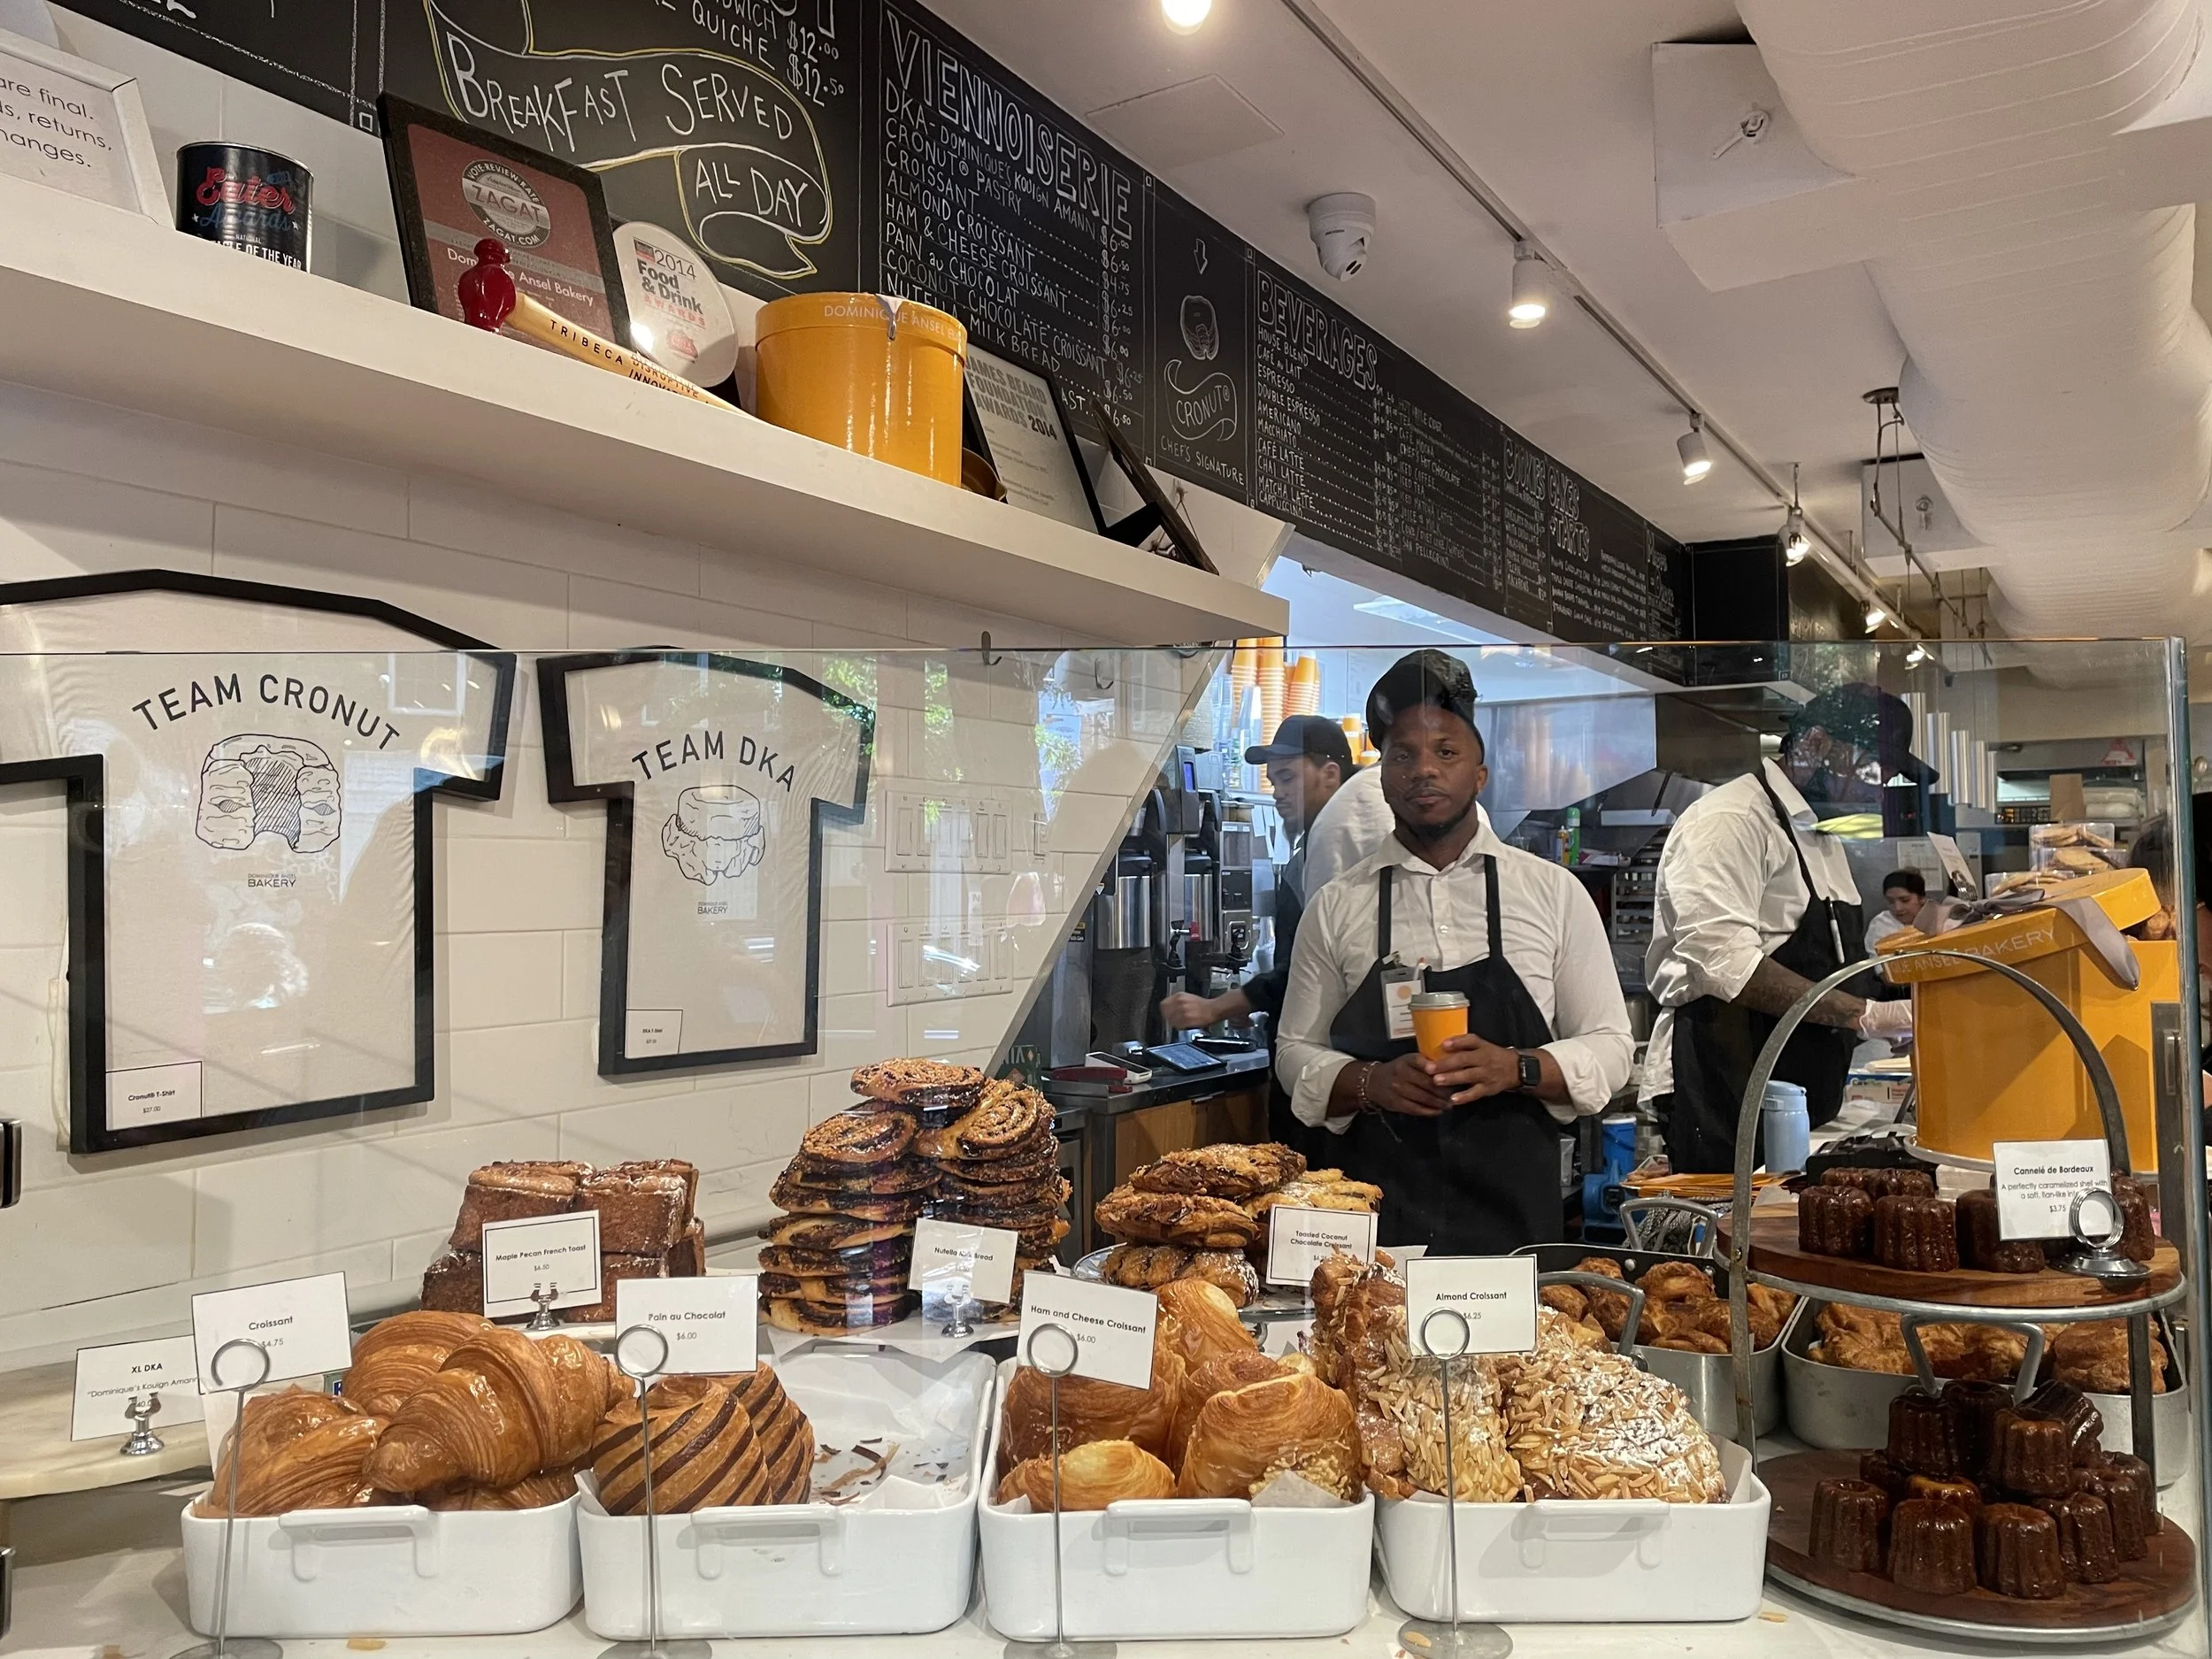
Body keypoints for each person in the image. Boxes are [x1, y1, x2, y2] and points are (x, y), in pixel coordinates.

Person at [1276, 649, 1634, 1253]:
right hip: (1378, 1237)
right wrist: (1369, 1081)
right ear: (1382, 775)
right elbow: (1294, 1051)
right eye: (1403, 755)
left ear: (1480, 774)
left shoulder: (1552, 894)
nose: (1424, 771)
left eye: (1446, 752)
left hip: (1514, 1232)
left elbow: (1611, 1046)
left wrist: (1516, 1067)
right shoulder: (1337, 906)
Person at [1640, 684, 1916, 1174]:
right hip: (1726, 1085)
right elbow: (1724, 965)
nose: (1881, 786)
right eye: (1874, 767)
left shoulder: (1822, 834)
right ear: (1813, 744)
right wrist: (1866, 1015)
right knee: (1733, 1239)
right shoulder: (1731, 820)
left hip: (1797, 1090)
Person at [1159, 715, 1357, 1146]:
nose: (1278, 792)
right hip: (1309, 1064)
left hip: (1326, 1071)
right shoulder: (1314, 849)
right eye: (1273, 780)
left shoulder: (1341, 843)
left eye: (1287, 778)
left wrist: (1217, 1008)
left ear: (1330, 774)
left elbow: (1312, 966)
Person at [1864, 869, 1928, 953]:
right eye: (1891, 902)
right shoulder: (1881, 925)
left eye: (1905, 900)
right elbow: (1881, 962)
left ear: (1922, 898)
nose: (1897, 908)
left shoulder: (1938, 922)